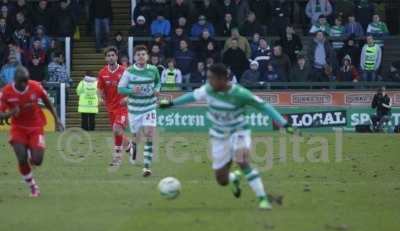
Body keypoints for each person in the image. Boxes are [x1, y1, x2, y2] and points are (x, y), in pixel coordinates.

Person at [159, 63, 295, 210]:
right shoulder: (208, 89)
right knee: (221, 180)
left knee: (242, 161)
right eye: (208, 78)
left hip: (239, 133)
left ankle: (263, 200)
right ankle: (234, 177)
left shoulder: (240, 94)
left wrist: (284, 124)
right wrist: (171, 103)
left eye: (211, 78)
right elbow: (191, 96)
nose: (208, 81)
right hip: (219, 137)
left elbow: (264, 106)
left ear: (223, 79)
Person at [0, 66, 63, 197]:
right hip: (18, 128)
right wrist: (11, 113)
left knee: (38, 160)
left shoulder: (35, 87)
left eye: (26, 80)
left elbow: (48, 103)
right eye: (22, 81)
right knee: (21, 158)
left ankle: (31, 153)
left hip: (36, 127)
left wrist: (57, 119)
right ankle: (33, 186)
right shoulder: (6, 92)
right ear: (15, 80)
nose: (25, 84)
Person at [118, 45, 161, 177]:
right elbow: (120, 89)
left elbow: (158, 82)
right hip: (134, 109)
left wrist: (157, 89)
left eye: (143, 54)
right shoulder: (129, 71)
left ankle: (146, 167)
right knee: (136, 136)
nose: (141, 56)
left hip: (149, 107)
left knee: (149, 134)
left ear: (147, 57)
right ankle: (133, 145)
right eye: (138, 55)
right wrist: (131, 91)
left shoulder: (153, 70)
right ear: (135, 57)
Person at [97, 46, 130, 167]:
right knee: (117, 132)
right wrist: (100, 97)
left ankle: (117, 157)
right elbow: (99, 88)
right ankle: (129, 146)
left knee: (116, 129)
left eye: (113, 55)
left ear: (117, 57)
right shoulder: (102, 73)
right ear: (106, 58)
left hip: (122, 105)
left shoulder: (125, 71)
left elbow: (131, 86)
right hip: (110, 107)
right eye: (108, 56)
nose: (111, 58)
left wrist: (128, 97)